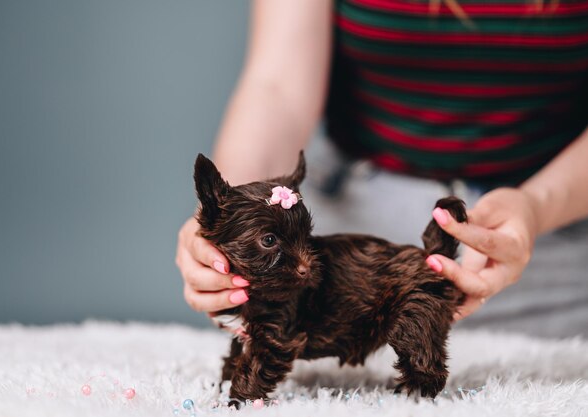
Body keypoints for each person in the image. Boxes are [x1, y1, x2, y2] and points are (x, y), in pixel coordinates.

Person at [176, 0, 588, 337]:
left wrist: (536, 206)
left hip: (556, 254)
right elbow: (277, 88)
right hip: (339, 270)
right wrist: (234, 222)